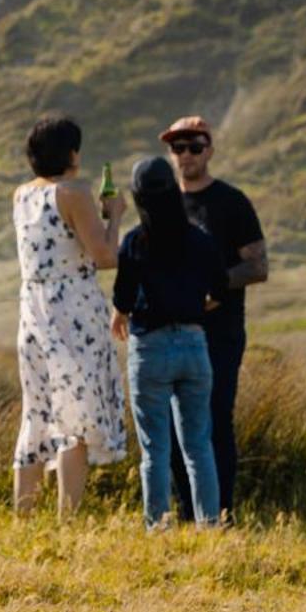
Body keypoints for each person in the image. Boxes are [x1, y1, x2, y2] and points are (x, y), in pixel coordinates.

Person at [12, 115, 128, 517]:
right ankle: (67, 519)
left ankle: (23, 516)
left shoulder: (21, 195)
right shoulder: (74, 193)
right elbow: (106, 257)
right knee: (74, 418)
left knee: (37, 412)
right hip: (72, 309)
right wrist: (114, 215)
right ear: (72, 153)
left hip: (32, 310)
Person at [160, 116, 267, 521]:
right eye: (177, 147)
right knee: (171, 426)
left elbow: (258, 266)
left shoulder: (232, 202)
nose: (185, 154)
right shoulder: (162, 202)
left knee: (215, 419)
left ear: (210, 149)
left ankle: (222, 513)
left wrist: (216, 287)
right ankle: (187, 513)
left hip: (220, 333)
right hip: (170, 331)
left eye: (193, 146)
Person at [110, 158, 224, 527]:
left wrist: (120, 314)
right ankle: (209, 523)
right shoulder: (200, 239)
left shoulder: (135, 242)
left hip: (151, 348)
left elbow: (123, 300)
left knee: (154, 450)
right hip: (193, 343)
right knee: (198, 445)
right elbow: (220, 290)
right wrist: (194, 305)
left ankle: (157, 524)